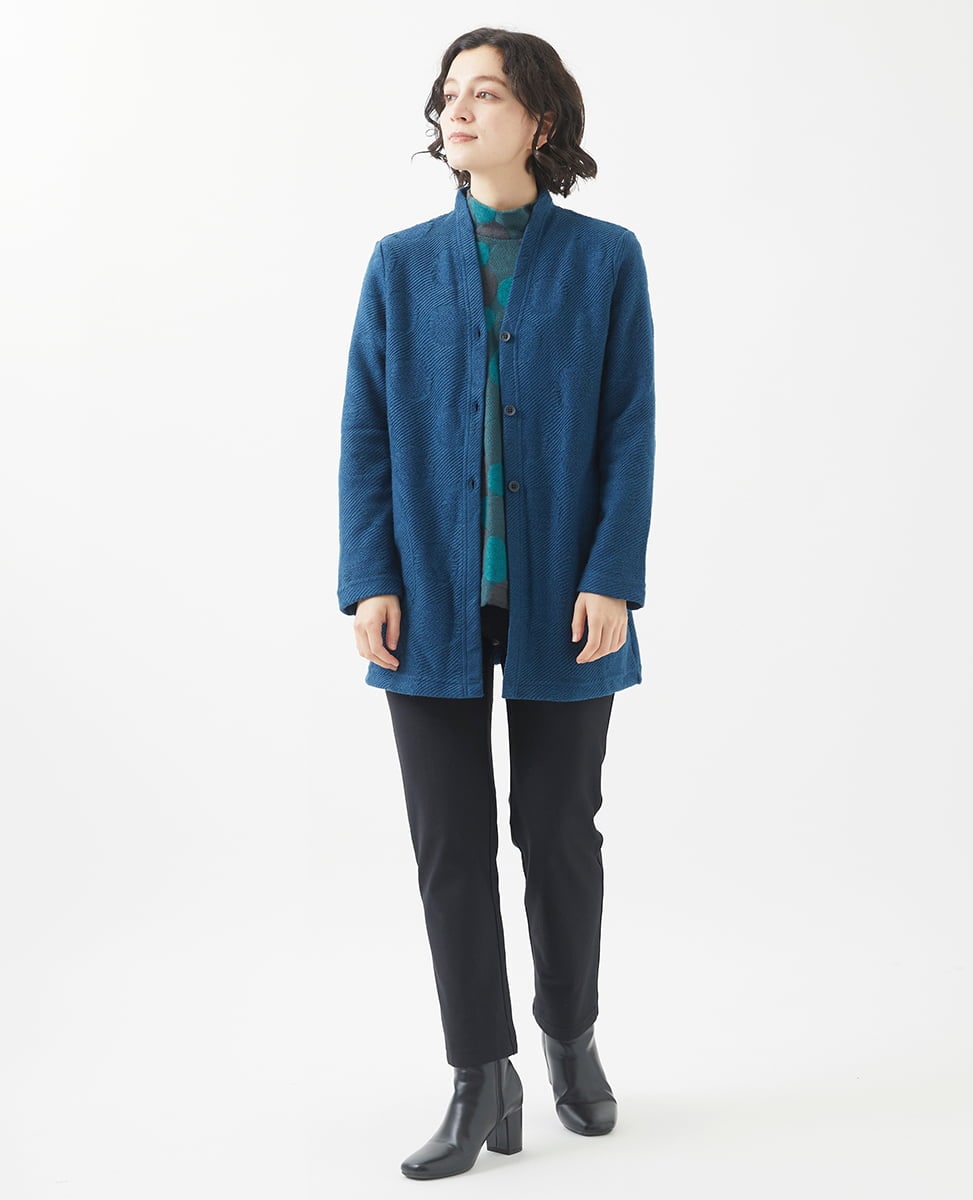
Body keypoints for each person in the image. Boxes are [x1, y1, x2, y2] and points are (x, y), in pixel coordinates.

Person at [338, 27, 655, 1181]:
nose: (458, 110)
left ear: (541, 121)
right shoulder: (399, 265)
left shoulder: (606, 260)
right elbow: (366, 430)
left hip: (567, 594)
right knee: (449, 844)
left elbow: (629, 425)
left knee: (557, 833)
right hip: (427, 593)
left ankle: (568, 1032)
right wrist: (368, 577)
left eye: (485, 93)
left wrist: (612, 572)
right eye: (449, 94)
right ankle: (482, 1073)